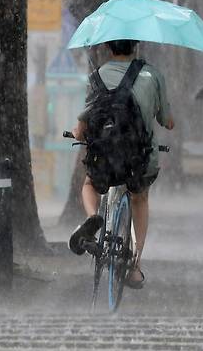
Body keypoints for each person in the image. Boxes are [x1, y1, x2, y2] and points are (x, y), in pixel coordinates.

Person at [68, 39, 174, 289]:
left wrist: (76, 133)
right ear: (135, 46)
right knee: (139, 198)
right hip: (139, 158)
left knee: (90, 184)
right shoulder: (152, 74)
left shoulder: (97, 76)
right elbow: (166, 121)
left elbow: (84, 125)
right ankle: (135, 267)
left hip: (105, 157)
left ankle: (93, 218)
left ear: (108, 47)